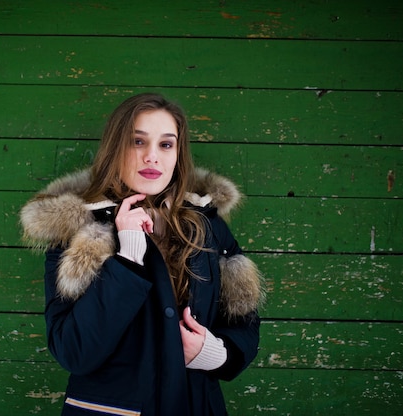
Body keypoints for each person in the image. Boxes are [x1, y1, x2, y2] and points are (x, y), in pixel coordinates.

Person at [20, 93, 264, 415]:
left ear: (178, 153)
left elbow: (244, 320)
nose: (152, 157)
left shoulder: (207, 224)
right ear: (115, 148)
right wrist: (128, 255)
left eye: (166, 144)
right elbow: (73, 350)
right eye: (138, 141)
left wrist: (211, 352)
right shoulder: (75, 230)